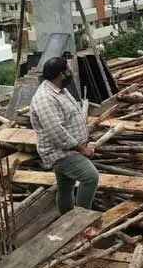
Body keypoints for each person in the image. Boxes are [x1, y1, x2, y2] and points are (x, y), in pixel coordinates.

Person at [30, 57, 100, 218]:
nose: (71, 73)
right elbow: (56, 132)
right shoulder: (45, 98)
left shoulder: (59, 90)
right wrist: (81, 148)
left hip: (69, 148)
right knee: (90, 177)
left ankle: (66, 219)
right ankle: (80, 220)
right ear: (61, 74)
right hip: (60, 152)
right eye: (69, 71)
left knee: (65, 186)